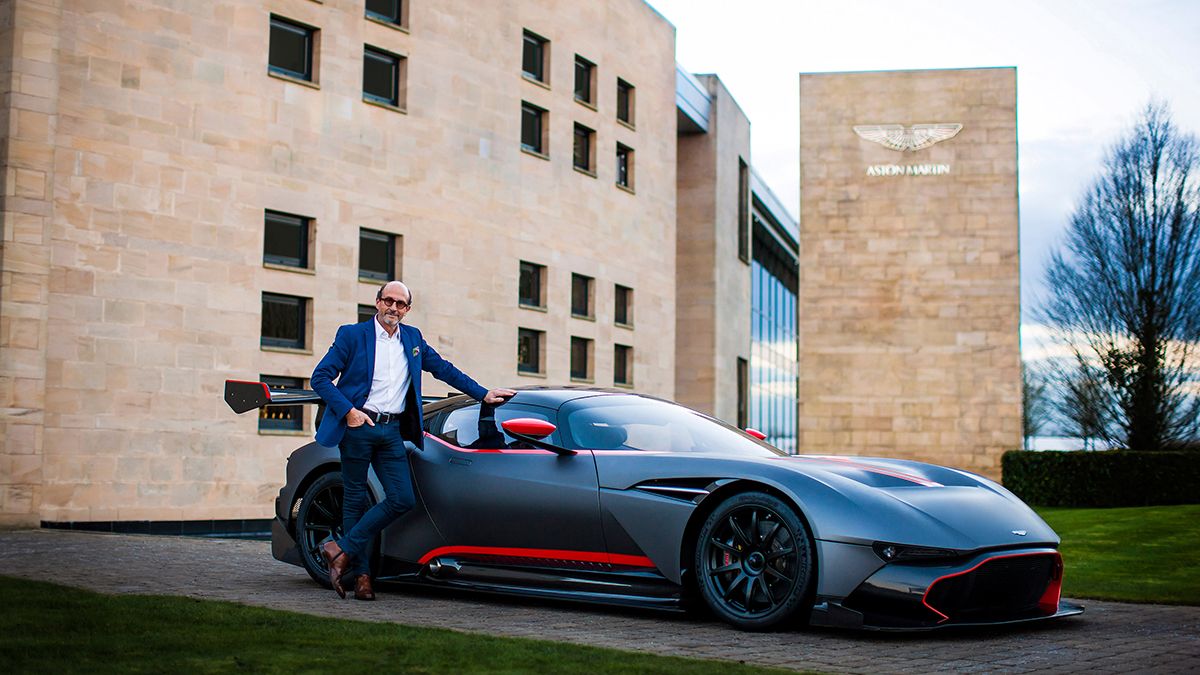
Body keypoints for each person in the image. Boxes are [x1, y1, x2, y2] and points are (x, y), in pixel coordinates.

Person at [310, 280, 515, 600]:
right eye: (388, 300)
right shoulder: (351, 335)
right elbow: (320, 378)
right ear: (377, 302)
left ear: (407, 309)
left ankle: (340, 550)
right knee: (354, 501)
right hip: (359, 426)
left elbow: (444, 370)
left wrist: (483, 393)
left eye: (400, 303)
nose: (393, 307)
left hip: (392, 431)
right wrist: (348, 411)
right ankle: (362, 577)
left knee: (402, 498)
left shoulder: (413, 338)